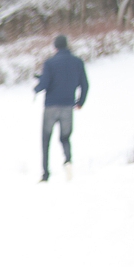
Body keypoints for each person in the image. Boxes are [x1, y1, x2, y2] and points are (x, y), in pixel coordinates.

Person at [35, 35, 89, 181]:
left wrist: (37, 86)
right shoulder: (77, 62)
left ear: (55, 47)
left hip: (51, 106)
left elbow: (45, 83)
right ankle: (68, 161)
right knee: (65, 138)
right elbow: (84, 84)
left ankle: (46, 173)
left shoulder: (50, 63)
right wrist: (80, 102)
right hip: (68, 106)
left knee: (46, 139)